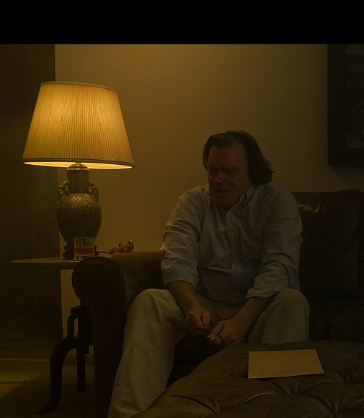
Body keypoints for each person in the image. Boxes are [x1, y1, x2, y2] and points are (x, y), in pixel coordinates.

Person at [108, 131, 309, 418]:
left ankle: (273, 411)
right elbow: (176, 259)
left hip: (260, 307)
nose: (218, 179)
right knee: (149, 301)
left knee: (292, 301)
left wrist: (241, 320)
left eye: (230, 172)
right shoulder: (192, 202)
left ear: (253, 171)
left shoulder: (278, 202)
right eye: (212, 170)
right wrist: (191, 308)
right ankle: (130, 414)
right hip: (207, 303)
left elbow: (279, 267)